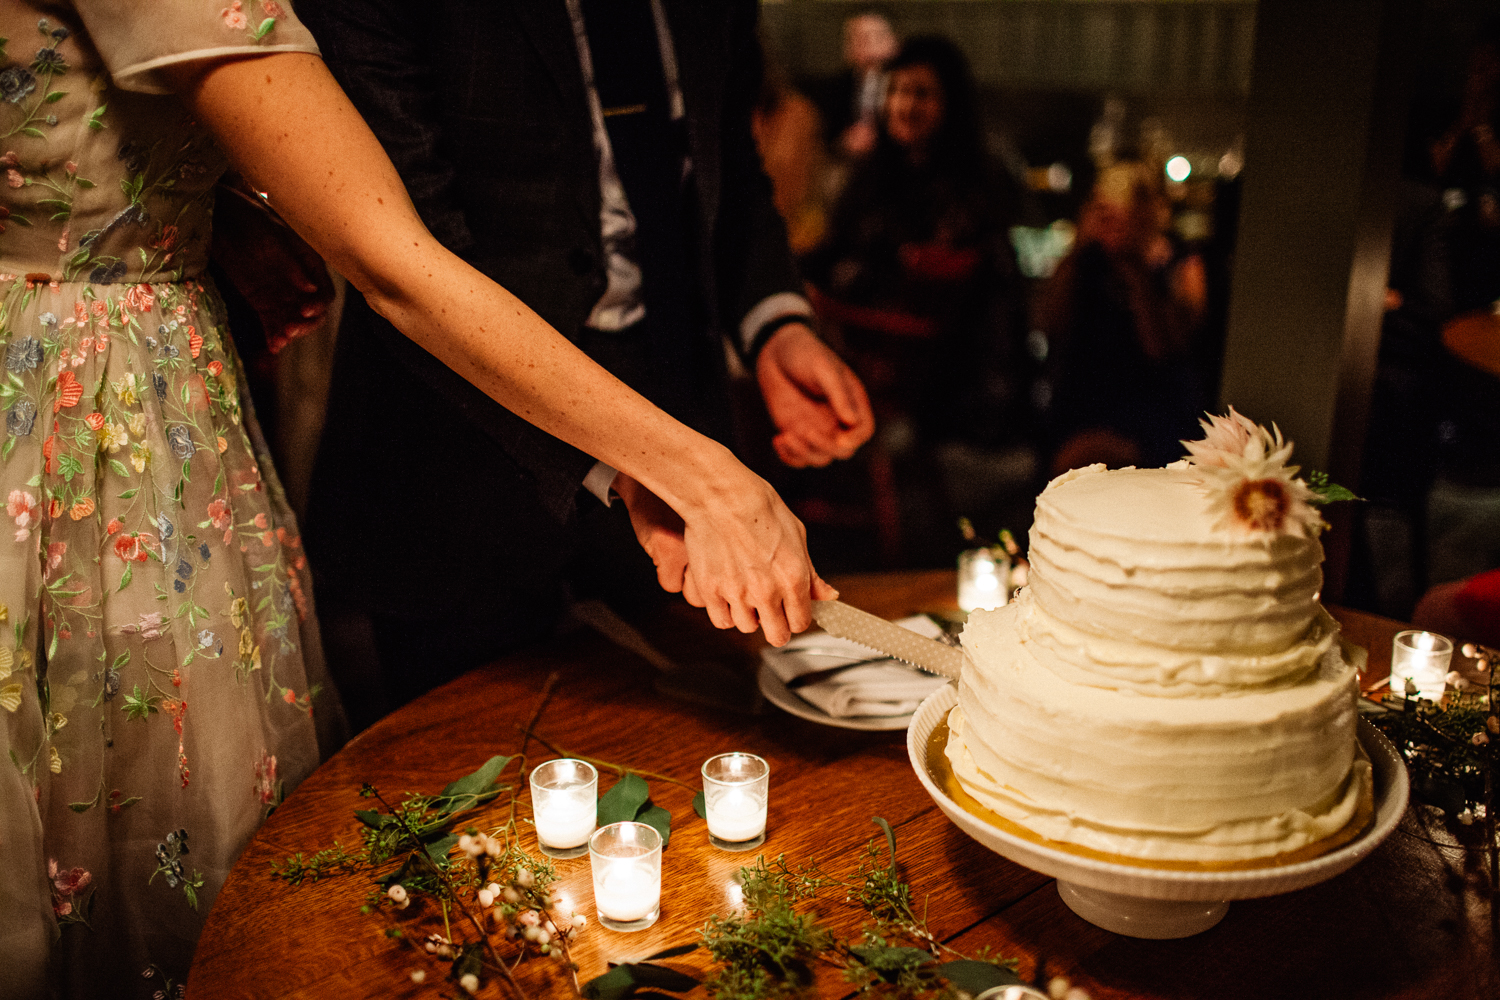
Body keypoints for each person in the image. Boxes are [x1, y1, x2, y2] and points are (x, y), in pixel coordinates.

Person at [0, 2, 862, 994]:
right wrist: (697, 474)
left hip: (191, 405)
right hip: (152, 423)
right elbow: (393, 249)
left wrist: (206, 214)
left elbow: (717, 156)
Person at [296, 0, 875, 729]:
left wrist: (776, 326)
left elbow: (726, 166)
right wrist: (682, 474)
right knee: (466, 774)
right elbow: (407, 262)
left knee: (683, 755)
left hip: (673, 418)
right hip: (454, 460)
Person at [1036, 160, 1208, 474]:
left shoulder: (1181, 262)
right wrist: (1080, 246)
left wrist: (1132, 264)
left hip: (1153, 410)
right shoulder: (1086, 262)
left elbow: (1165, 350)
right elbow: (1049, 323)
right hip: (1083, 402)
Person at [803, 6, 899, 162]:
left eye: (878, 37)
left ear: (894, 42)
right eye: (861, 39)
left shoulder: (905, 86)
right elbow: (823, 134)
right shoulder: (834, 88)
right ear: (848, 47)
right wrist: (844, 141)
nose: (870, 47)